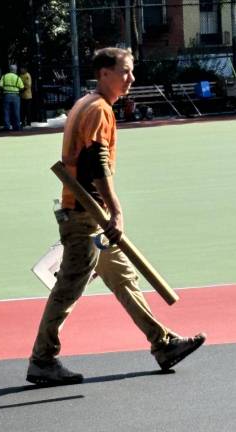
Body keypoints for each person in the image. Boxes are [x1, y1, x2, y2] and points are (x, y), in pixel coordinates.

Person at [26, 47, 206, 386]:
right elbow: (97, 164)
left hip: (88, 214)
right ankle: (42, 360)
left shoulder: (86, 103)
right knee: (69, 288)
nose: (131, 78)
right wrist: (116, 210)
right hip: (85, 215)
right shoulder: (98, 110)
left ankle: (163, 344)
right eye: (125, 71)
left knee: (123, 277)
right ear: (104, 73)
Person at [0, 65, 24, 131]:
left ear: (9, 69)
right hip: (15, 96)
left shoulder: (4, 76)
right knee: (16, 112)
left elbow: (0, 85)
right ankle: (17, 126)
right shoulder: (17, 77)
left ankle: (7, 126)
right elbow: (22, 87)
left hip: (6, 95)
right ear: (15, 70)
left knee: (6, 112)